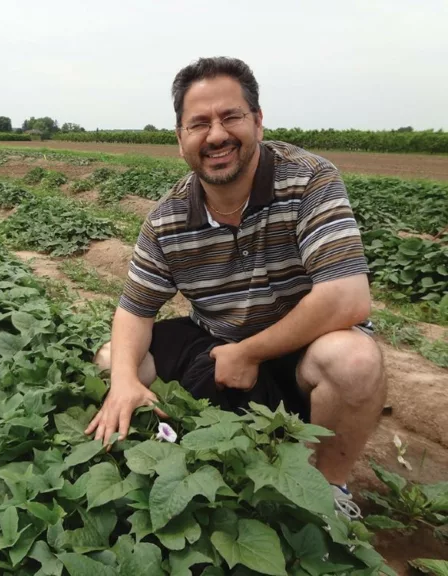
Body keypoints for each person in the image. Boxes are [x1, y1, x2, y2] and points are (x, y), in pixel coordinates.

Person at [84, 56, 387, 518]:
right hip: (218, 341)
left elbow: (346, 297)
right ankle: (175, 441)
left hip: (298, 349)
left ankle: (326, 490)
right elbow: (135, 310)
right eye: (199, 123)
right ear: (180, 139)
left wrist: (249, 353)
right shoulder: (167, 219)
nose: (217, 134)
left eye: (231, 117)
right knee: (113, 360)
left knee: (353, 360)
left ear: (258, 122)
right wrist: (124, 381)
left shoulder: (308, 179)